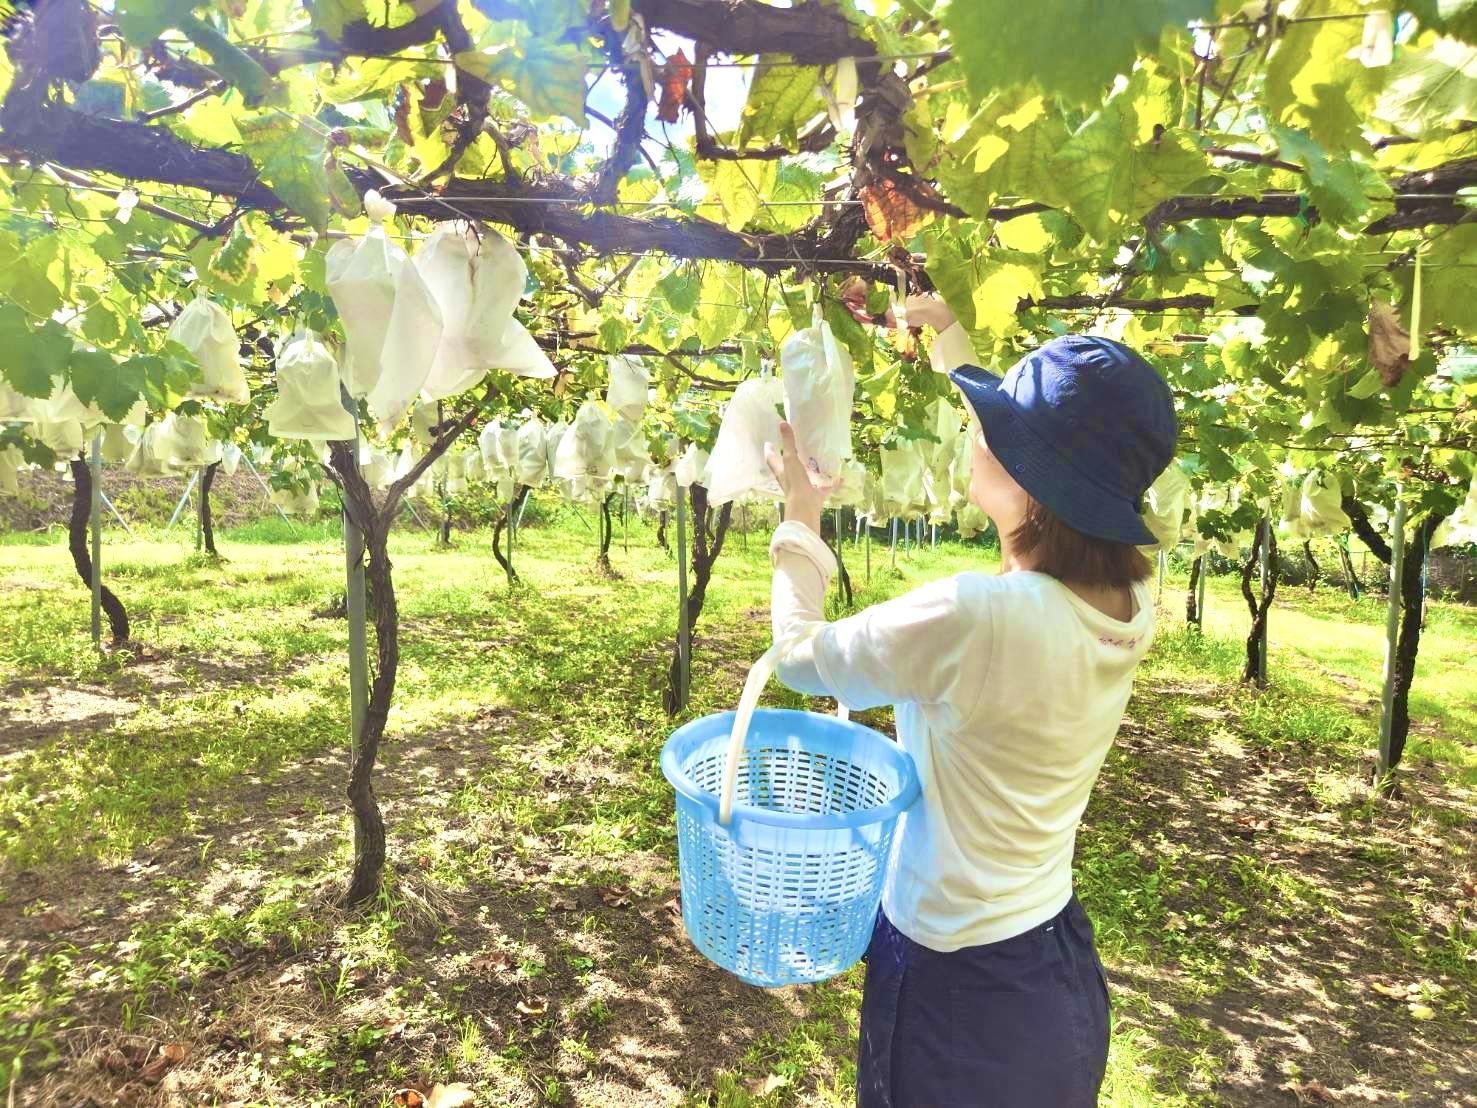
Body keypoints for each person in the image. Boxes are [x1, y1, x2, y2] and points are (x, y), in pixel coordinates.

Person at [763, 297, 1178, 1107]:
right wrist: (949, 335)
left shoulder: (976, 617)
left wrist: (798, 520)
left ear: (1029, 477)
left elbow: (797, 658)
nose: (975, 433)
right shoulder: (1129, 601)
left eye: (990, 429)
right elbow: (1039, 452)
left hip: (956, 981)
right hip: (1048, 956)